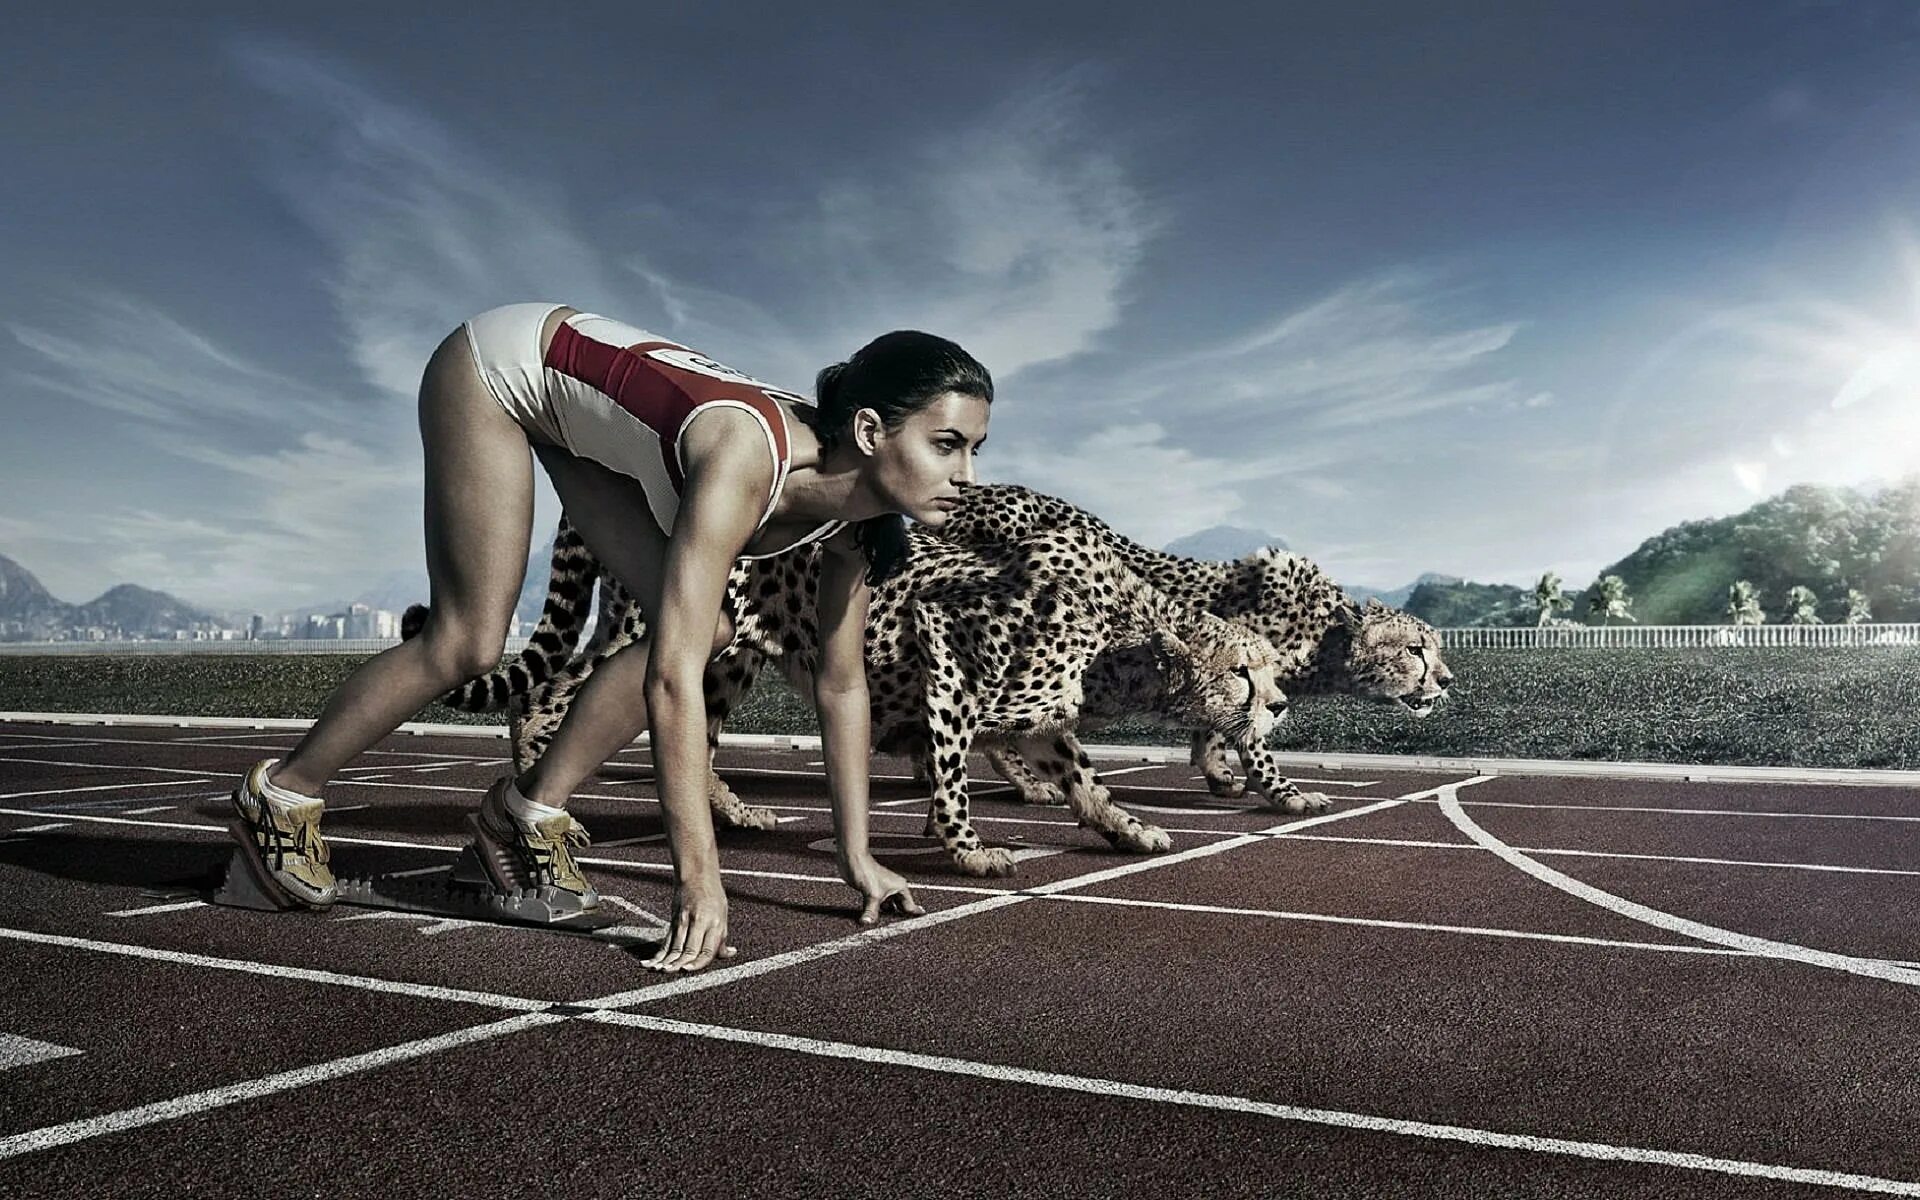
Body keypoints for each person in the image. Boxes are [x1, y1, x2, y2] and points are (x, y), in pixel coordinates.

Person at [225, 302, 993, 973]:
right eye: (947, 444)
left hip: (575, 410)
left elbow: (841, 682)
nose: (968, 477)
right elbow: (672, 680)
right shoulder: (746, 458)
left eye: (974, 450)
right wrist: (697, 878)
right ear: (868, 430)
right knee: (468, 640)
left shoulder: (861, 523)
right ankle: (280, 799)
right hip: (500, 367)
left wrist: (857, 856)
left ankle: (519, 819)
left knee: (711, 625)